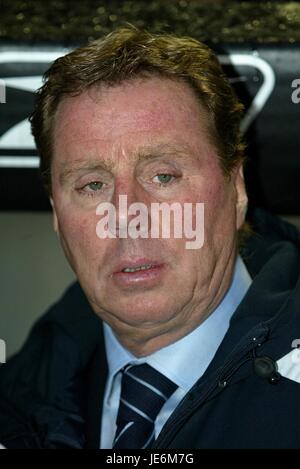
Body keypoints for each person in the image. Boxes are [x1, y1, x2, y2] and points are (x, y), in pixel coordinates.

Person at [0, 26, 300, 449]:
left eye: (163, 176)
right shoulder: (19, 398)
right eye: (92, 185)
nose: (126, 217)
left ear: (236, 192)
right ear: (56, 214)